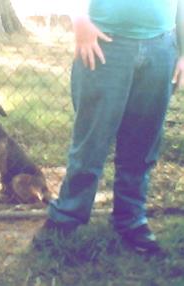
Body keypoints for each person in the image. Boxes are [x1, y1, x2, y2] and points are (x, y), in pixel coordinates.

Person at [33, 0, 184, 255]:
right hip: (104, 43)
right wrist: (80, 20)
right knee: (91, 141)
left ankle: (131, 220)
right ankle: (67, 216)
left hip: (162, 47)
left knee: (142, 144)